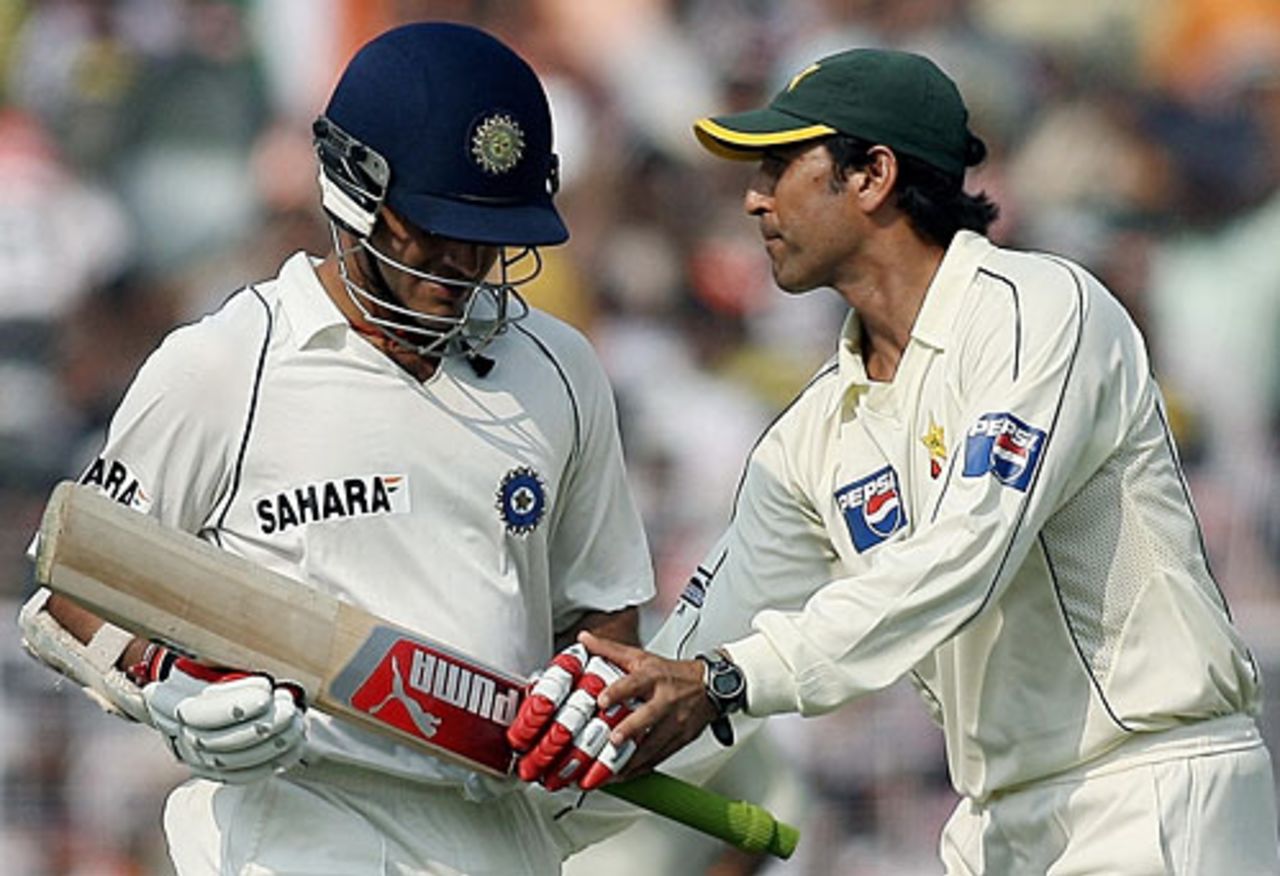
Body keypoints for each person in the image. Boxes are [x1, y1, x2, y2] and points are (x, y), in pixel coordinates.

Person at [518, 48, 1280, 873]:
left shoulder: (1040, 312)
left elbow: (965, 556)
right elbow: (695, 664)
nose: (753, 197)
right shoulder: (813, 435)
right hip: (995, 820)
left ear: (873, 175)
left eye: (780, 165)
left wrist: (723, 680)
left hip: (1147, 790)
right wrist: (523, 805)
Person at [17, 22, 654, 876]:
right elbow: (70, 593)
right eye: (434, 226)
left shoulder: (559, 368)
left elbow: (602, 614)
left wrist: (590, 700)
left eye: (490, 232)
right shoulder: (230, 363)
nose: (465, 263)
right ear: (354, 190)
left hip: (494, 832)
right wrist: (166, 687)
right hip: (295, 820)